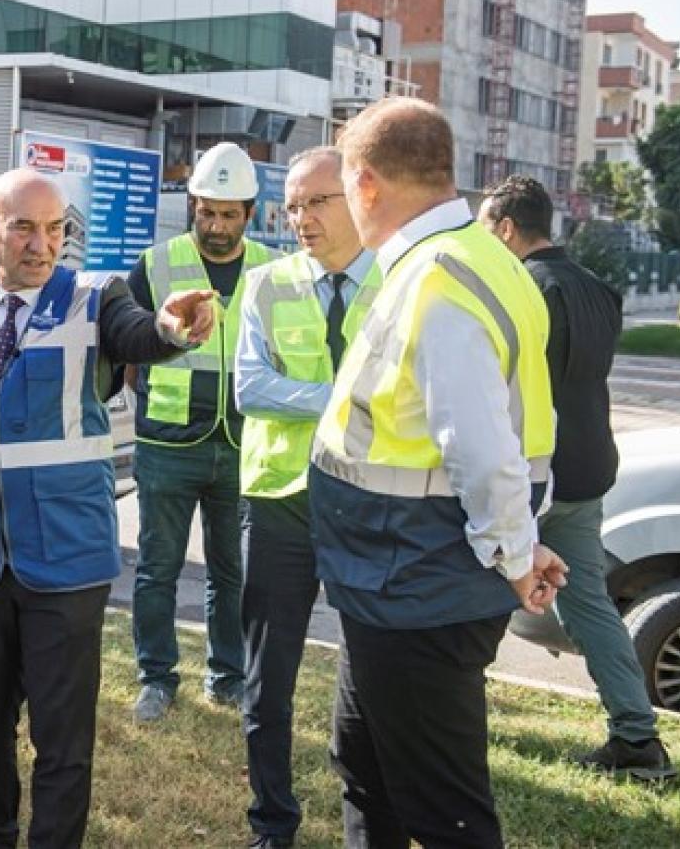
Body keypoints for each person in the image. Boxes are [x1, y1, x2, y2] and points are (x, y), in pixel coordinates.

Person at [0, 167, 217, 849]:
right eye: (25, 226)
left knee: (62, 740)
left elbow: (138, 334)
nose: (43, 244)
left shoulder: (95, 298)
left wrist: (173, 328)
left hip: (66, 560)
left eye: (56, 228)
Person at [308, 96, 569, 848]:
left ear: (364, 187)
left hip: (416, 585)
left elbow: (484, 449)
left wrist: (516, 554)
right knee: (365, 765)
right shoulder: (481, 258)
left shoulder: (439, 280)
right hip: (394, 582)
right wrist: (518, 544)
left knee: (445, 816)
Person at [479, 174, 675, 782]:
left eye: (487, 231)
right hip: (588, 469)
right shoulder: (599, 290)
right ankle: (637, 738)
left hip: (531, 475)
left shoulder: (522, 290)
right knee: (589, 606)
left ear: (507, 229)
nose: (484, 244)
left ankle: (450, 723)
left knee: (474, 594)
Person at [234, 147, 381, 849]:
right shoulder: (267, 283)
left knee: (377, 672)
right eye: (291, 205)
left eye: (316, 202)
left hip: (369, 498)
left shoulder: (396, 281)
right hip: (280, 501)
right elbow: (249, 388)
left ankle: (375, 815)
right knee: (268, 679)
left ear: (357, 195)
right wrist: (343, 401)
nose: (300, 218)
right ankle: (272, 823)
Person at [126, 142, 277, 721]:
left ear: (250, 212)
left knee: (230, 571)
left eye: (228, 213)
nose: (215, 225)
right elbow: (130, 341)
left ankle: (227, 677)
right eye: (206, 211)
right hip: (167, 443)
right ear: (192, 205)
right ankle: (156, 679)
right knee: (157, 569)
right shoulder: (157, 262)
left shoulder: (273, 269)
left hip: (243, 443)